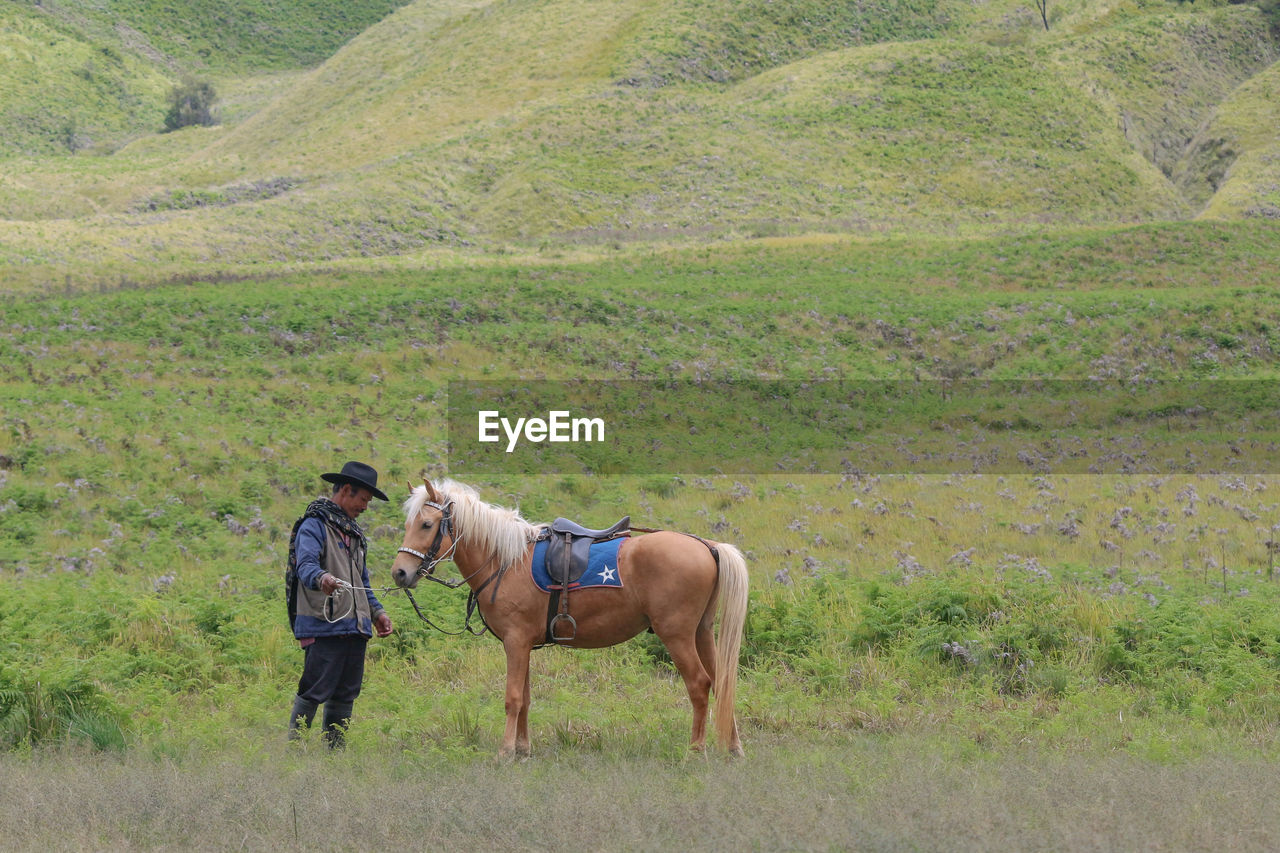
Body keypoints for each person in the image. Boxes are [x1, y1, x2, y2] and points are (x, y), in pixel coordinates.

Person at [285, 461, 393, 747]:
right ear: (346, 490)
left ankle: (334, 757)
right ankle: (294, 752)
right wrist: (322, 578)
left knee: (346, 694)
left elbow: (362, 582)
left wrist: (377, 612)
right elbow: (304, 565)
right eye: (363, 499)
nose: (365, 507)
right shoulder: (314, 525)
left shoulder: (355, 534)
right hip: (324, 627)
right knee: (313, 690)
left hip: (355, 628)